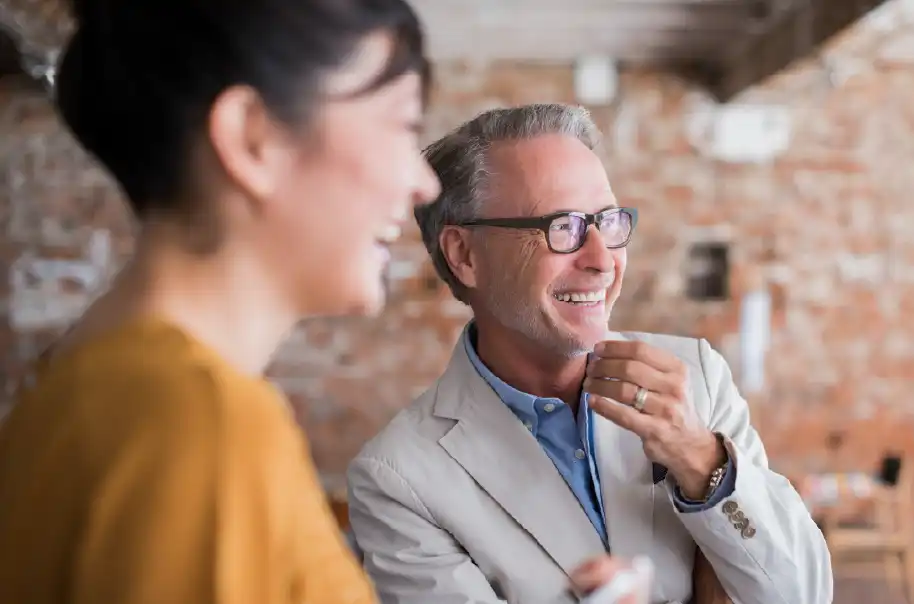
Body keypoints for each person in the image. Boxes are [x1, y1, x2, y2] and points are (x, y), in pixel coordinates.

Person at [0, 4, 636, 604]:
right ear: (253, 140)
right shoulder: (193, 423)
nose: (420, 183)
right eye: (397, 127)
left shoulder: (103, 385)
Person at [347, 103, 834, 604]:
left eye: (608, 222)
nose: (603, 261)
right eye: (564, 227)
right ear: (465, 256)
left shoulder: (697, 379)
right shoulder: (399, 477)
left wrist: (701, 459)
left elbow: (805, 592)